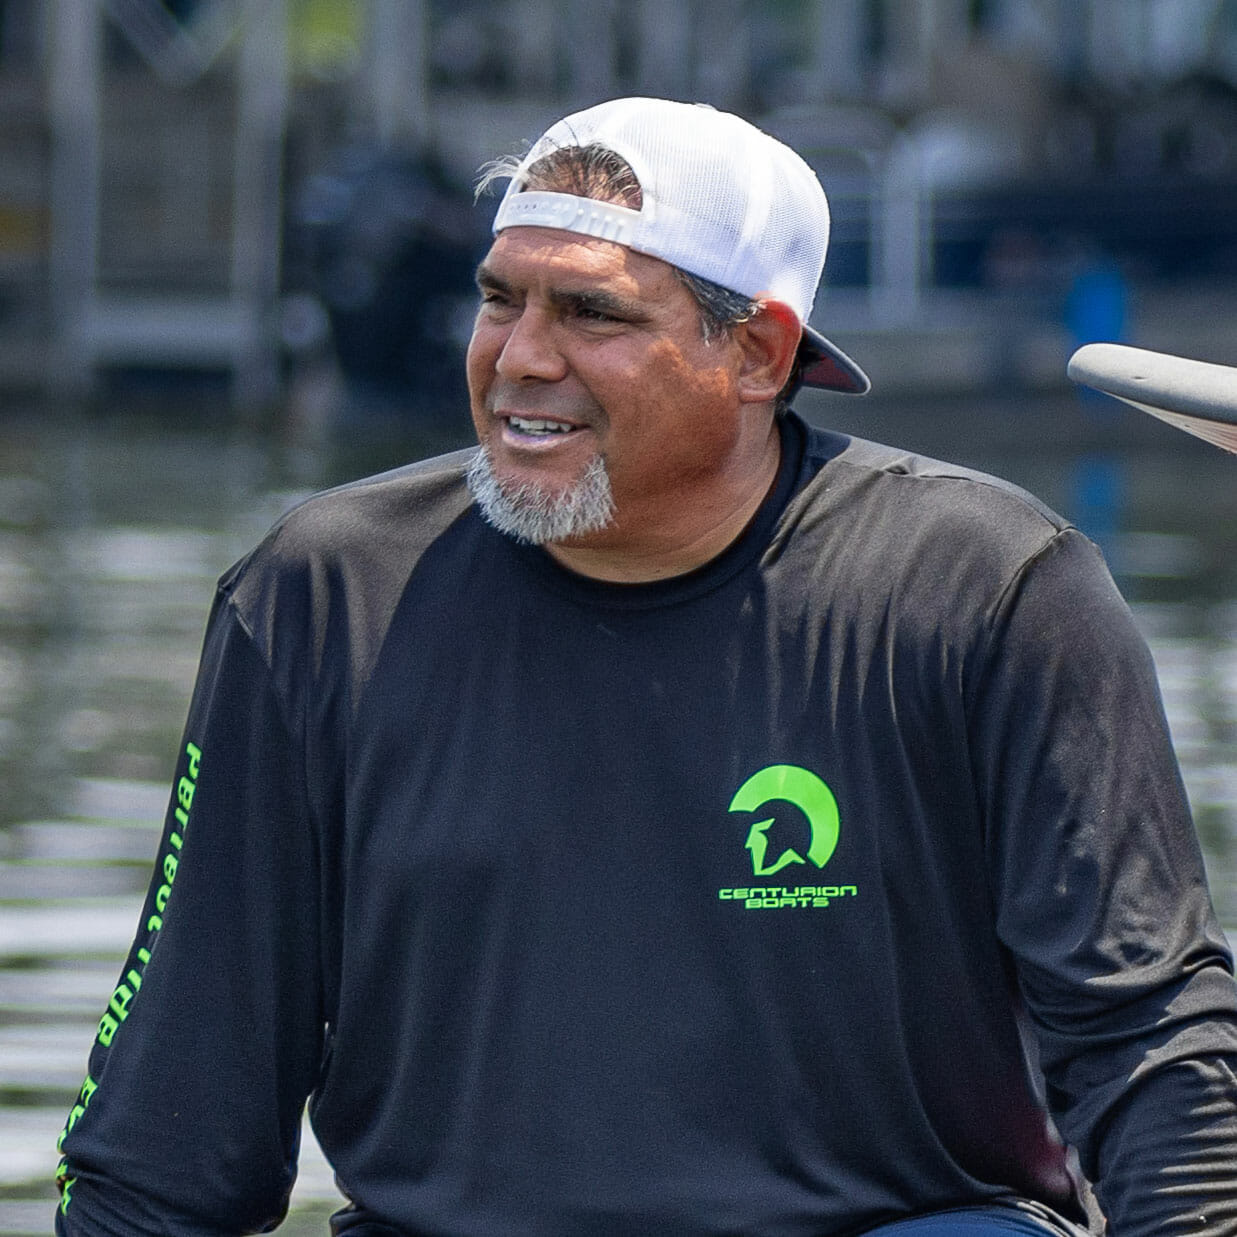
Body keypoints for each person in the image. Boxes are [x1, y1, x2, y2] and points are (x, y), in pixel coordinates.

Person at [54, 97, 1237, 1236]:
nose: (519, 358)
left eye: (590, 314)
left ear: (761, 354)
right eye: (498, 299)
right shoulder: (318, 599)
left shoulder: (989, 587)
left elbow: (1145, 1039)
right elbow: (169, 1134)